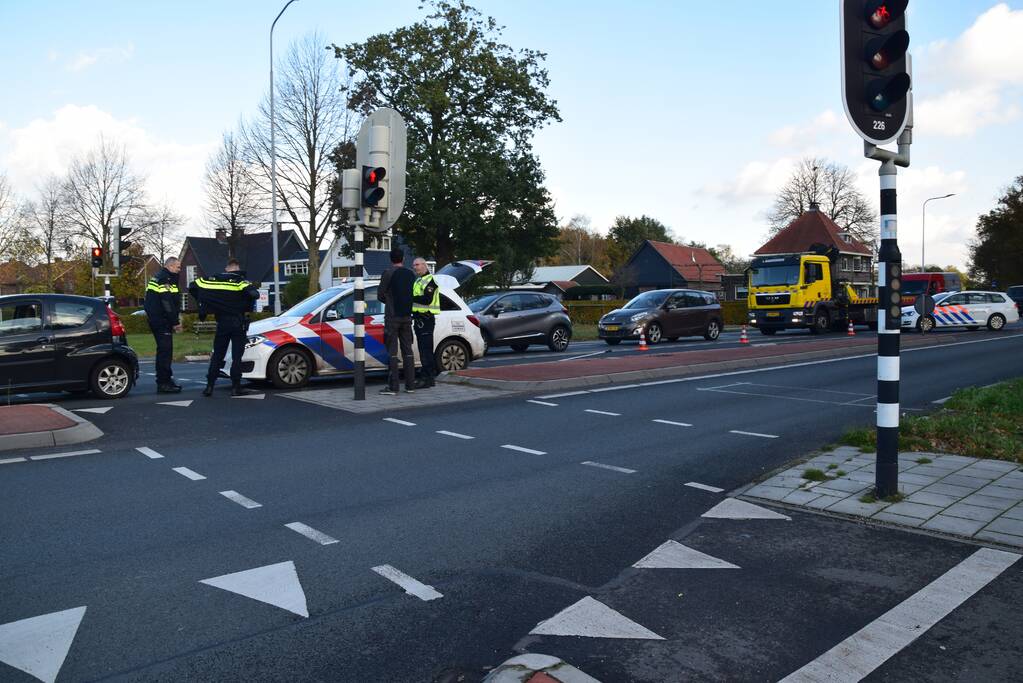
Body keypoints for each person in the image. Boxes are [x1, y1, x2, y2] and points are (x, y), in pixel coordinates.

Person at [188, 259, 260, 397]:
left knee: (218, 356)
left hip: (222, 323)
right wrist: (242, 302)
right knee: (237, 357)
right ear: (237, 268)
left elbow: (192, 286)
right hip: (238, 323)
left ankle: (209, 386)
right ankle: (236, 387)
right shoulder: (241, 281)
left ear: (227, 268)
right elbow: (254, 294)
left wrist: (205, 303)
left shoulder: (213, 280)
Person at [376, 247, 416, 395]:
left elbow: (380, 294)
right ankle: (410, 385)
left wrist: (389, 301)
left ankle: (394, 387)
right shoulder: (410, 274)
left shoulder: (388, 273)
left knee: (392, 352)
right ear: (403, 259)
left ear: (391, 259)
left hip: (392, 317)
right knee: (408, 351)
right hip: (407, 316)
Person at [144, 256, 183, 393]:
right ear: (170, 266)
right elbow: (167, 302)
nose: (179, 270)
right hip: (162, 321)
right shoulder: (164, 279)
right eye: (178, 267)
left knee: (163, 351)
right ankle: (163, 382)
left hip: (157, 319)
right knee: (165, 352)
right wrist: (175, 322)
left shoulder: (159, 277)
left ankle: (166, 379)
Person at [411, 257, 440, 388]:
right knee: (423, 350)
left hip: (426, 319)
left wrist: (409, 298)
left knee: (426, 350)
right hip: (419, 319)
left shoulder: (430, 281)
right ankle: (427, 376)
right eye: (413, 265)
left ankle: (428, 378)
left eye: (417, 265)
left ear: (424, 265)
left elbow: (427, 299)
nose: (415, 267)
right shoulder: (418, 280)